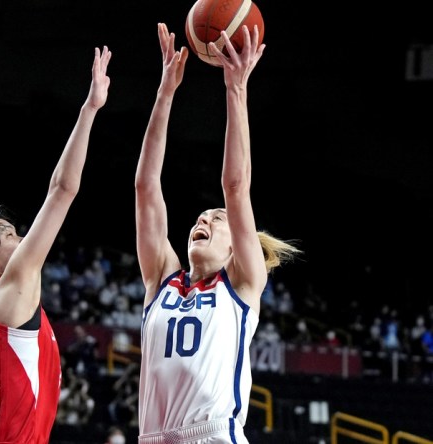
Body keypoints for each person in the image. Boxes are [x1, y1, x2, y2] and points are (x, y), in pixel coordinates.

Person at [134, 24, 301, 443]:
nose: (202, 221)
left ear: (235, 248)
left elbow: (235, 186)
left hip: (213, 435)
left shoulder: (242, 286)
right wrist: (165, 93)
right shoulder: (161, 280)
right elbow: (145, 187)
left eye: (216, 219)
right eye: (200, 218)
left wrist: (236, 89)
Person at [0, 45, 112, 444]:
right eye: (10, 234)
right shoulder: (12, 284)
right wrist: (90, 108)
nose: (22, 239)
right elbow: (63, 189)